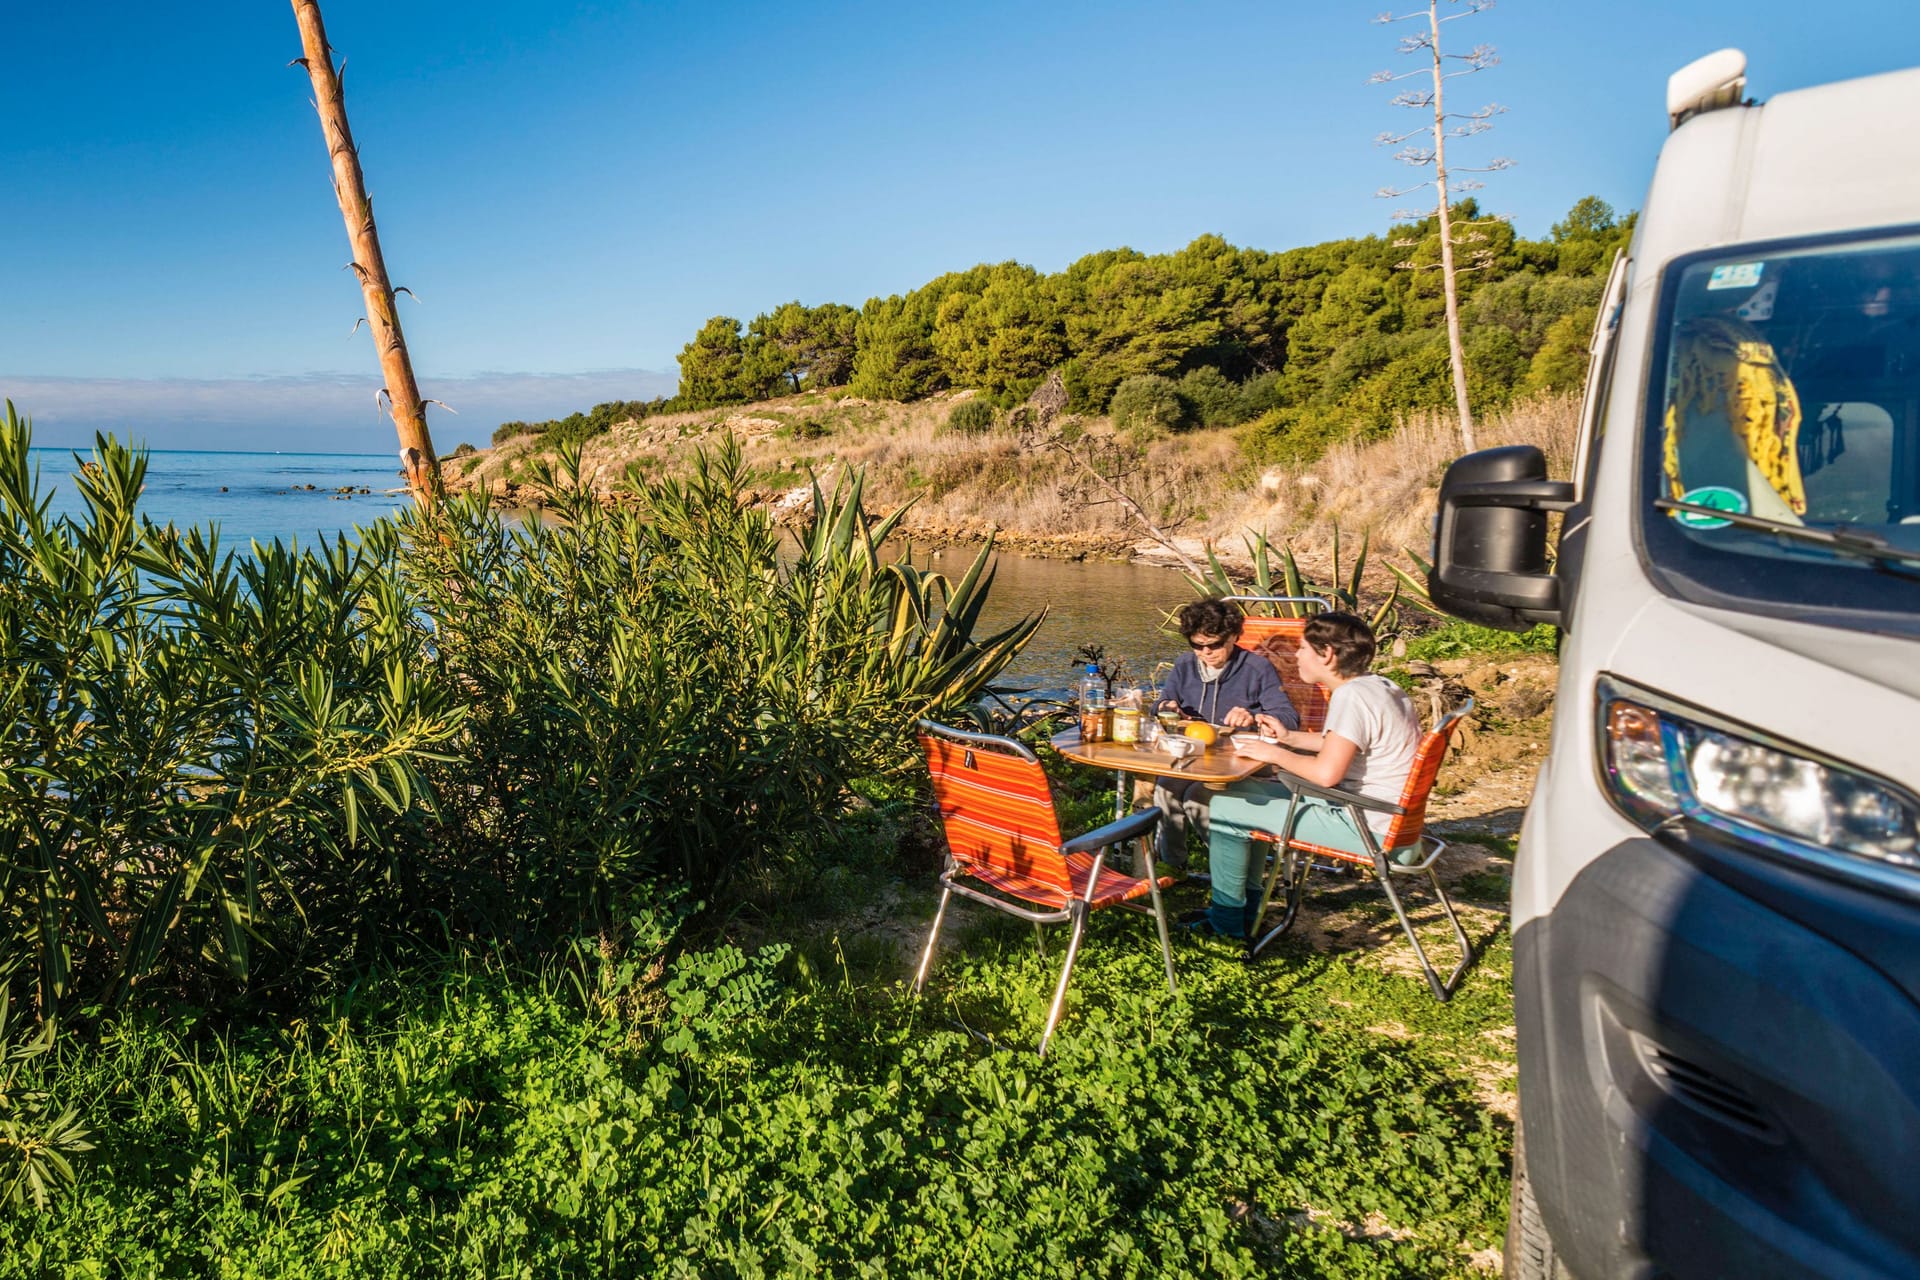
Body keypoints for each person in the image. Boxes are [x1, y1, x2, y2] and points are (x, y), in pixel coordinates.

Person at [1194, 611, 1422, 938]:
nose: (1296, 656)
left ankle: (1226, 925)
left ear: (1326, 654)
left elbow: (1326, 774)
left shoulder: (1351, 697)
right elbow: (1341, 743)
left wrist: (1275, 754)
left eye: (1302, 648)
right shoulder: (1379, 686)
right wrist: (1287, 738)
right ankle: (1249, 909)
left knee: (1226, 811)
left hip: (1366, 828)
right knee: (1243, 796)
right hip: (1390, 822)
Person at [1151, 597, 1298, 866]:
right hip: (1194, 756)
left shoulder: (1257, 669)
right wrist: (1166, 705)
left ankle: (1232, 867)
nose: (1206, 653)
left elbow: (1288, 718)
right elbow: (1159, 704)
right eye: (1197, 645)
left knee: (1198, 797)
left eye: (1215, 644)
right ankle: (1172, 866)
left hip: (1241, 760)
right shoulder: (1185, 665)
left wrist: (1253, 716)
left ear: (1233, 637)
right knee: (1166, 788)